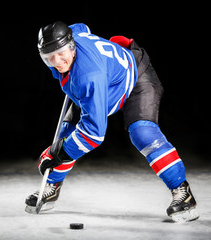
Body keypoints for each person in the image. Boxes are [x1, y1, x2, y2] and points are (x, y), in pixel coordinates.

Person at [25, 21, 199, 222]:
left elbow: (93, 135)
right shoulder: (72, 37)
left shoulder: (88, 77)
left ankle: (183, 192)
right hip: (107, 81)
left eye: (61, 53)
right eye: (49, 57)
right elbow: (83, 27)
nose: (57, 61)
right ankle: (52, 186)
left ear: (71, 46)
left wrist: (59, 154)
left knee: (143, 133)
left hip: (136, 77)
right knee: (67, 132)